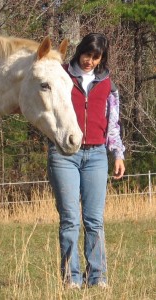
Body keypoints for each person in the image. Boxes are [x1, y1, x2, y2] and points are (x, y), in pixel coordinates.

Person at [47, 33, 125, 289]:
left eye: (96, 57)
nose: (90, 61)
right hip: (64, 155)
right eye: (87, 55)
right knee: (69, 218)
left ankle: (98, 277)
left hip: (97, 155)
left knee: (94, 219)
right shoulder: (61, 75)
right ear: (79, 51)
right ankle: (71, 277)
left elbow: (113, 122)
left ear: (102, 58)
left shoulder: (107, 84)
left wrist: (118, 153)